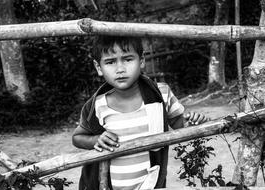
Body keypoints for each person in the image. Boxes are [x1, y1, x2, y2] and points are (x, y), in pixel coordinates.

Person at [72, 35, 209, 190]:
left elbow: (179, 124)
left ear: (142, 60)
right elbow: (77, 138)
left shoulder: (161, 94)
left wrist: (190, 123)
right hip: (111, 186)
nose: (120, 69)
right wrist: (96, 140)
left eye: (128, 59)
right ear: (98, 68)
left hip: (152, 183)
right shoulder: (97, 105)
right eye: (110, 62)